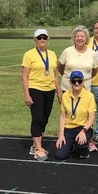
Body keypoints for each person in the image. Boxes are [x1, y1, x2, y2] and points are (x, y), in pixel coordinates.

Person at [22, 29, 61, 161]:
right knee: (37, 118)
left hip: (49, 89)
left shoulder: (52, 54)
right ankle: (38, 149)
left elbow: (54, 75)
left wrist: (58, 91)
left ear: (48, 39)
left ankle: (35, 145)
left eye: (44, 37)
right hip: (35, 89)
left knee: (44, 118)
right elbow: (24, 76)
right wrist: (27, 94)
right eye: (39, 38)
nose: (42, 40)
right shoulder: (29, 54)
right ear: (35, 40)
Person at [55, 70, 96, 160]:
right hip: (69, 128)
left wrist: (83, 131)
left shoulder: (89, 96)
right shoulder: (65, 95)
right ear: (70, 82)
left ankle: (85, 150)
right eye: (74, 81)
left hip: (83, 127)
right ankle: (71, 145)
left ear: (83, 81)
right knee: (60, 155)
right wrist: (61, 134)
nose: (77, 83)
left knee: (81, 144)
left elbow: (91, 117)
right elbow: (63, 116)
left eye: (79, 81)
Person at [57, 25, 98, 92]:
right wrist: (71, 77)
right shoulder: (67, 51)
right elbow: (60, 67)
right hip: (67, 89)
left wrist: (83, 79)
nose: (79, 38)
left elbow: (95, 71)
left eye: (82, 36)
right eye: (77, 36)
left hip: (85, 89)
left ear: (86, 38)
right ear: (74, 38)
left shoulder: (93, 53)